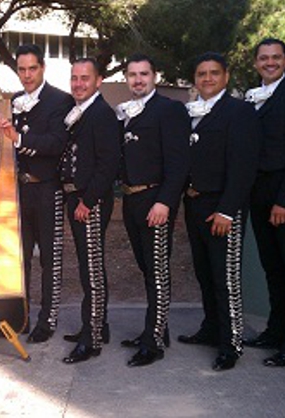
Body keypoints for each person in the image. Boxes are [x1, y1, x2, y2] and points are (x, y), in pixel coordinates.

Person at [179, 52, 259, 371]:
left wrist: (227, 210)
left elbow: (243, 166)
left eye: (214, 73)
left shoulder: (239, 112)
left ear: (226, 76)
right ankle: (212, 328)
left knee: (226, 278)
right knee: (204, 272)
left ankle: (232, 343)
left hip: (222, 207)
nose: (207, 78)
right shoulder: (190, 112)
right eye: (201, 74)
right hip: (195, 203)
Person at [116, 54, 190, 366]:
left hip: (155, 200)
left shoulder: (170, 110)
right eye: (132, 75)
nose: (138, 80)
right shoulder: (126, 112)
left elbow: (179, 162)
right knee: (147, 268)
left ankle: (153, 342)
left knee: (157, 272)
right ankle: (157, 328)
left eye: (144, 74)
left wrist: (165, 202)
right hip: (132, 200)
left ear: (155, 77)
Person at [0, 44, 74, 343]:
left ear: (42, 68)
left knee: (50, 259)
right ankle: (22, 315)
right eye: (22, 69)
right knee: (20, 257)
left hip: (47, 188)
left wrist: (18, 139)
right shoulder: (15, 100)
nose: (27, 75)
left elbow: (56, 143)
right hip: (18, 190)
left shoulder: (60, 100)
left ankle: (48, 319)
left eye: (32, 69)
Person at [59, 58, 120, 363]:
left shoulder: (102, 114)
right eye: (74, 78)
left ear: (99, 81)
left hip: (89, 202)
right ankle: (97, 325)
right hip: (77, 198)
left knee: (93, 271)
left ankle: (92, 339)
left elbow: (108, 164)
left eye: (85, 78)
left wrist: (88, 200)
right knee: (87, 267)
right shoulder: (80, 112)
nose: (78, 84)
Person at [243, 38, 285, 367]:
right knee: (273, 269)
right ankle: (275, 331)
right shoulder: (255, 95)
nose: (270, 63)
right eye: (264, 58)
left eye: (276, 57)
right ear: (256, 63)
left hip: (280, 195)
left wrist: (283, 200)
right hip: (258, 195)